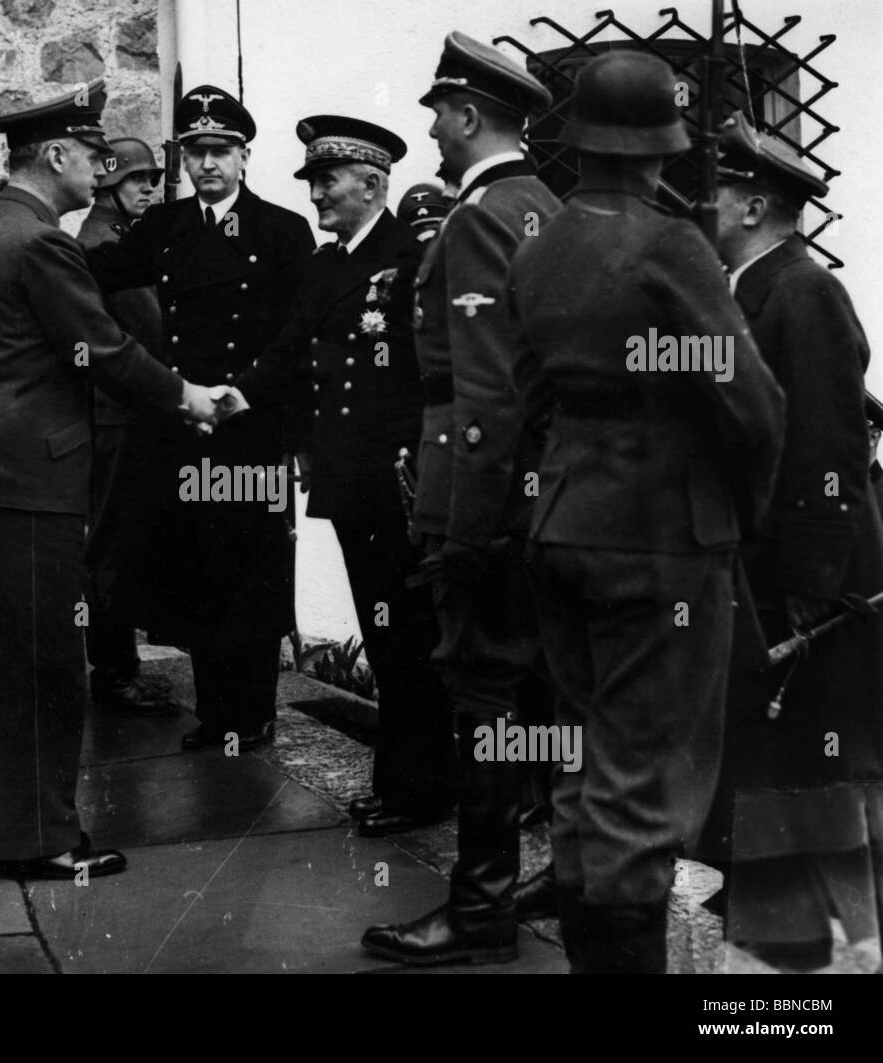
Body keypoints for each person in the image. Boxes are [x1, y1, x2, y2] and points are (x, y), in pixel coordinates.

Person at [505, 52, 784, 972]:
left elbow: (525, 392)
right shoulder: (672, 247)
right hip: (662, 542)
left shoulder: (540, 245)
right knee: (645, 786)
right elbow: (752, 405)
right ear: (665, 147)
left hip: (565, 524)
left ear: (581, 140)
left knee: (587, 769)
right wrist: (735, 513)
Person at [0, 79, 224, 881]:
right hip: (27, 485)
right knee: (48, 665)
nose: (101, 168)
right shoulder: (43, 243)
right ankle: (41, 840)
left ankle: (11, 830)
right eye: (91, 155)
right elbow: (106, 350)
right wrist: (184, 395)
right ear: (53, 156)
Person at [361, 31, 560, 966]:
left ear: (472, 115)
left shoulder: (482, 217)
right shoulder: (540, 206)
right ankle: (541, 880)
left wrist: (470, 528)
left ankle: (480, 912)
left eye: (439, 114)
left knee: (482, 695)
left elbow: (487, 391)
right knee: (531, 691)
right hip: (534, 495)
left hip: (477, 494)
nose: (433, 132)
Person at [224, 116, 456, 835]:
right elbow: (290, 349)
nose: (317, 195)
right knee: (384, 634)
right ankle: (402, 780)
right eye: (314, 182)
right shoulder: (326, 265)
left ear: (372, 183)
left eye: (327, 182)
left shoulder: (413, 254)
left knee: (409, 637)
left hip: (398, 479)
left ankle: (421, 789)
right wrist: (238, 394)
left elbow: (437, 369)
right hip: (350, 480)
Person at [699, 112, 883, 970]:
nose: (707, 206)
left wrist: (811, 578)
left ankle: (802, 958)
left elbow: (830, 446)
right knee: (778, 763)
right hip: (771, 567)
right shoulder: (759, 287)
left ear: (754, 204)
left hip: (805, 581)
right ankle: (776, 922)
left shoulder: (800, 291)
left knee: (806, 760)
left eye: (720, 191)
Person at [86, 85, 316, 753]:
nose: (207, 165)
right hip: (186, 429)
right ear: (183, 159)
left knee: (254, 566)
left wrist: (251, 396)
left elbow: (295, 336)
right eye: (195, 152)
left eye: (220, 151)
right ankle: (217, 715)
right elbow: (88, 273)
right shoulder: (163, 229)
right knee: (201, 568)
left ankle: (256, 712)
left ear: (244, 155)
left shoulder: (281, 230)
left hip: (250, 425)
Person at [77, 137, 175, 716]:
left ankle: (117, 666)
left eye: (153, 178)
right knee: (111, 544)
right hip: (121, 416)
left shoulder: (110, 237)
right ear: (110, 182)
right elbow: (153, 328)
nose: (150, 187)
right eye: (138, 179)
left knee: (114, 541)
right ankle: (115, 673)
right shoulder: (105, 243)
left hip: (119, 413)